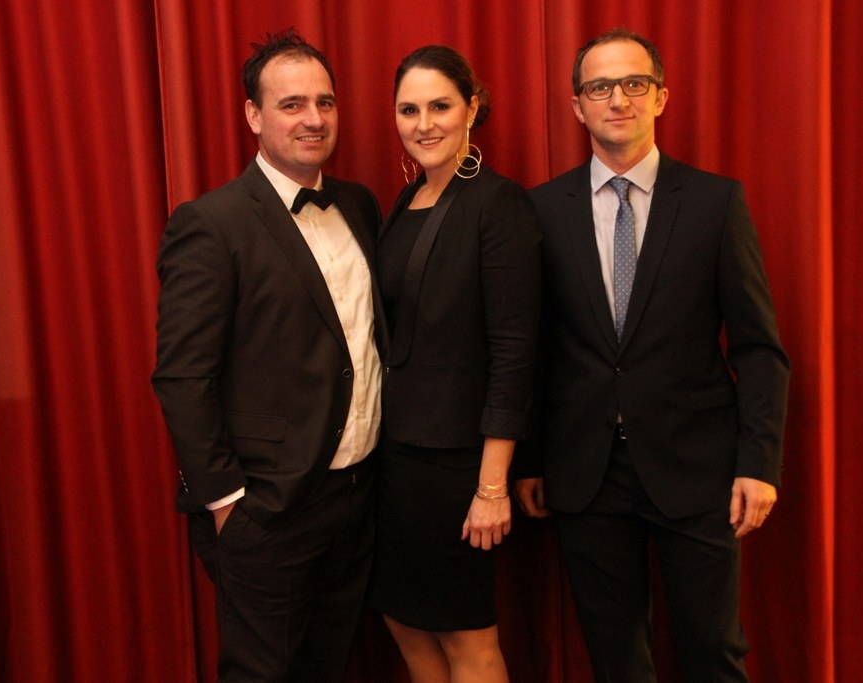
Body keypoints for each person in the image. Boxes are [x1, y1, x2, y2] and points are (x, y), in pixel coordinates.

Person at [514, 28, 790, 682]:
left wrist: (759, 464)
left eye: (634, 84)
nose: (618, 100)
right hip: (585, 474)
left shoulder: (715, 203)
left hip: (697, 470)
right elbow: (533, 349)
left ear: (661, 96)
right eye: (599, 87)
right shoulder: (542, 209)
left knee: (713, 653)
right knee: (616, 662)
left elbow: (758, 348)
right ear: (577, 105)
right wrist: (528, 459)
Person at [151, 29, 385, 682]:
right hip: (267, 508)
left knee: (329, 667)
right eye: (292, 104)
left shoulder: (359, 205)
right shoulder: (211, 223)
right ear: (253, 115)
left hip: (357, 495)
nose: (314, 118)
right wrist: (229, 504)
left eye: (325, 102)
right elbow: (183, 376)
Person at [369, 46, 541, 683]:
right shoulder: (407, 198)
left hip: (457, 465)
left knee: (466, 636)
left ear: (472, 108)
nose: (424, 124)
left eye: (440, 106)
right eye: (408, 110)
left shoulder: (498, 203)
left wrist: (492, 485)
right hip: (394, 458)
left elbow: (515, 351)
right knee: (407, 625)